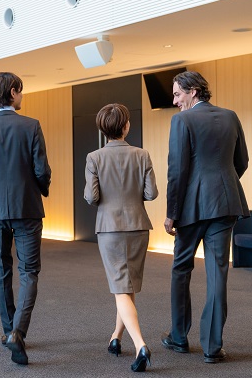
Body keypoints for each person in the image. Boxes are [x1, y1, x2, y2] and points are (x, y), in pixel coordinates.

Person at [162, 70, 249, 364]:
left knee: (181, 269)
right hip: (225, 205)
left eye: (177, 94)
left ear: (193, 91)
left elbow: (177, 171)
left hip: (191, 209)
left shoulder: (182, 121)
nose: (175, 101)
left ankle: (178, 337)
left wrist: (172, 213)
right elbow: (242, 162)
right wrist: (221, 186)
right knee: (217, 274)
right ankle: (212, 347)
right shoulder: (231, 116)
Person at [0, 72, 52, 365]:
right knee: (29, 272)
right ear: (14, 91)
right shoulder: (31, 126)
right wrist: (40, 188)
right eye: (22, 91)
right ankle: (18, 332)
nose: (22, 96)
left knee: (2, 270)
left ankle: (9, 332)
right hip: (27, 208)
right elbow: (42, 170)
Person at [84, 103, 158, 373]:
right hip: (138, 227)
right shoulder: (142, 155)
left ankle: (140, 345)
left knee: (120, 287)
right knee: (126, 287)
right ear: (126, 126)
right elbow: (151, 194)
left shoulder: (94, 158)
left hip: (110, 229)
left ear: (103, 130)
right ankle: (116, 337)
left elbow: (91, 197)